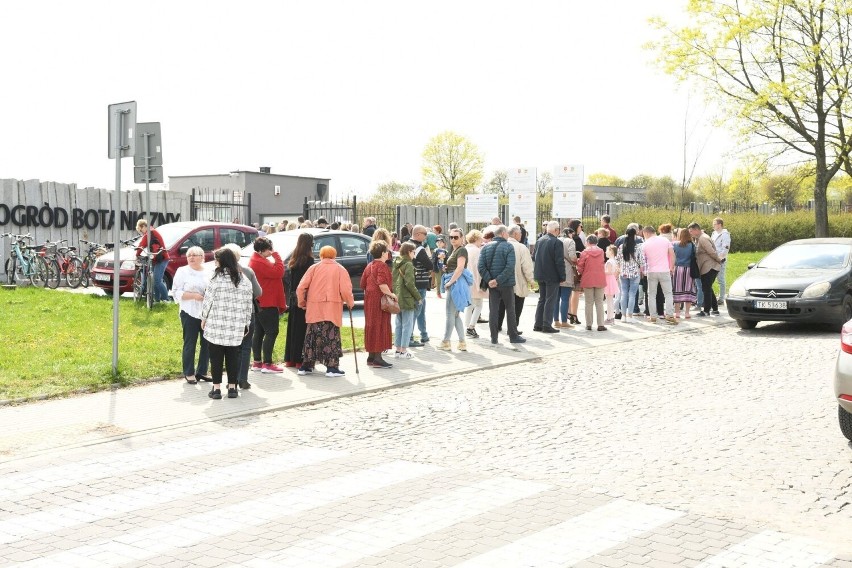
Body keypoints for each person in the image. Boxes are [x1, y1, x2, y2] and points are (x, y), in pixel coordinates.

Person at [201, 247, 254, 399]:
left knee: (216, 357)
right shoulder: (244, 280)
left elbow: (207, 301)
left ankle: (216, 389)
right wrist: (246, 323)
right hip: (236, 325)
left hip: (216, 324)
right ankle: (232, 388)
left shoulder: (216, 278)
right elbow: (247, 305)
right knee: (233, 357)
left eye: (216, 260)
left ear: (221, 261)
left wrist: (203, 318)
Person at [295, 245, 355, 377]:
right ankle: (332, 368)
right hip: (331, 309)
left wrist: (302, 303)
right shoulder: (340, 269)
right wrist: (350, 303)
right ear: (334, 256)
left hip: (314, 308)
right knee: (330, 337)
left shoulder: (314, 268)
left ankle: (305, 366)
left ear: (321, 256)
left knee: (312, 336)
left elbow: (300, 288)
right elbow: (345, 290)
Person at [221, 243, 261, 390]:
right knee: (245, 347)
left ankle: (231, 380)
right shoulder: (247, 271)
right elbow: (258, 292)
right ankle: (242, 378)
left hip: (228, 315)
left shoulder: (219, 273)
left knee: (231, 347)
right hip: (247, 313)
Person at [479, 225, 525, 345]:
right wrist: (498, 280)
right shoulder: (508, 246)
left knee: (493, 310)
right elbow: (510, 267)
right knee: (510, 309)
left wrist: (490, 280)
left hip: (492, 284)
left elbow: (481, 266)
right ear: (504, 233)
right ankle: (513, 336)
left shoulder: (485, 247)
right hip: (506, 283)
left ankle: (494, 337)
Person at [171, 246, 211, 384]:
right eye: (189, 256)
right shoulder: (182, 271)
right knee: (190, 342)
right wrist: (193, 296)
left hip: (206, 313)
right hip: (189, 311)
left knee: (207, 343)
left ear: (202, 257)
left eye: (195, 255)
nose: (191, 258)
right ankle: (189, 372)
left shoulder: (208, 271)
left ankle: (202, 371)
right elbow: (175, 291)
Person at [248, 237, 286, 374]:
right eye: (269, 249)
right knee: (271, 331)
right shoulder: (259, 262)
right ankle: (267, 363)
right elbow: (279, 272)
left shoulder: (257, 260)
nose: (271, 251)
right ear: (262, 250)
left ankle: (257, 362)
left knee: (259, 332)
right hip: (267, 302)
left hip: (260, 302)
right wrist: (277, 256)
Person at [360, 241, 395, 368]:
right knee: (380, 325)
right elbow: (382, 284)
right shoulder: (382, 266)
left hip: (369, 300)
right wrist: (392, 295)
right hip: (379, 300)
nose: (388, 253)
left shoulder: (369, 265)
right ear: (383, 253)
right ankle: (378, 358)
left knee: (371, 325)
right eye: (387, 251)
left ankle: (371, 356)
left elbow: (362, 284)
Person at [283, 233, 314, 368]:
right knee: (302, 330)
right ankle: (299, 359)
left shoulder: (294, 259)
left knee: (292, 328)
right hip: (304, 297)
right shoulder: (308, 261)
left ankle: (290, 358)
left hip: (293, 297)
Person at [438, 228, 471, 352]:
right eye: (451, 237)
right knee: (455, 315)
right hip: (456, 282)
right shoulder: (455, 249)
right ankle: (462, 342)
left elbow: (460, 268)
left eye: (456, 237)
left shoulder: (461, 250)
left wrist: (450, 282)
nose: (453, 239)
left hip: (456, 283)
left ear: (462, 238)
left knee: (450, 314)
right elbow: (456, 267)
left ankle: (446, 342)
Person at [499, 224, 535, 333]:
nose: (521, 235)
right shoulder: (521, 247)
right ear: (515, 234)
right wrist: (531, 280)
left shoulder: (501, 245)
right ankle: (513, 329)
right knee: (516, 306)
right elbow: (527, 266)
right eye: (520, 233)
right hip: (517, 282)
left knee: (501, 304)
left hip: (501, 282)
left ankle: (497, 325)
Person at [533, 220, 565, 334]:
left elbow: (534, 257)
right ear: (556, 230)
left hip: (540, 273)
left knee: (542, 299)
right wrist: (562, 276)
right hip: (552, 275)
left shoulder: (539, 240)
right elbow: (559, 261)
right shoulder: (557, 242)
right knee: (550, 300)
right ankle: (546, 324)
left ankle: (538, 324)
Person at [641, 225, 678, 325]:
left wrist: (644, 271)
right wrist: (672, 267)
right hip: (664, 270)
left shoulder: (645, 244)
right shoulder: (665, 241)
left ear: (647, 233)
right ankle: (670, 314)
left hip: (651, 271)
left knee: (651, 294)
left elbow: (643, 260)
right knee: (668, 293)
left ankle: (653, 316)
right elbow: (672, 254)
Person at [392, 242, 421, 359]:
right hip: (407, 298)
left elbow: (393, 280)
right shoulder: (408, 264)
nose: (415, 254)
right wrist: (418, 297)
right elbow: (409, 283)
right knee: (407, 325)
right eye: (414, 252)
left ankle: (398, 350)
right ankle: (404, 350)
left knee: (398, 325)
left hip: (397, 297)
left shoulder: (396, 262)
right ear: (409, 252)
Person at [689, 222, 722, 317]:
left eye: (691, 231)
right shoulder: (700, 238)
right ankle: (715, 309)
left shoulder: (703, 238)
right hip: (707, 267)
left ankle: (706, 310)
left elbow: (711, 252)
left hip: (709, 267)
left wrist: (718, 260)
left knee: (706, 289)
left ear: (696, 230)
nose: (690, 233)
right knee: (708, 288)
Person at [409, 225, 434, 345]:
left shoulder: (407, 244)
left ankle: (424, 334)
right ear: (418, 234)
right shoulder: (419, 249)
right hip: (420, 283)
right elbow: (430, 265)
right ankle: (409, 337)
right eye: (425, 234)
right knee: (416, 311)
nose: (426, 237)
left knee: (420, 310)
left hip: (413, 282)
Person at [135, 218, 170, 303]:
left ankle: (166, 299)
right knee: (154, 280)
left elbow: (141, 245)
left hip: (162, 258)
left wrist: (137, 255)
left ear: (143, 226)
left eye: (140, 230)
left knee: (157, 280)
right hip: (157, 258)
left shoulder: (149, 233)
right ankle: (157, 300)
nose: (141, 232)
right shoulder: (152, 231)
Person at [577, 234, 608, 331]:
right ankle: (601, 324)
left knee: (588, 302)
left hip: (588, 278)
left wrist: (583, 272)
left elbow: (580, 266)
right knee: (599, 302)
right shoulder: (601, 251)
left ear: (588, 242)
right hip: (600, 278)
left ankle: (589, 324)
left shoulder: (584, 252)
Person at [617, 227, 645, 323]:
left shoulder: (621, 247)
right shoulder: (637, 247)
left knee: (624, 293)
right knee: (632, 294)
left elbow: (618, 260)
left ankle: (623, 316)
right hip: (634, 273)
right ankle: (630, 315)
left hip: (623, 273)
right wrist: (643, 271)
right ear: (635, 235)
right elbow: (642, 261)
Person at [464, 230, 486, 338]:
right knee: (478, 305)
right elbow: (478, 269)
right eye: (480, 239)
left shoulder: (465, 249)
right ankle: (471, 327)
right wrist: (479, 285)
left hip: (465, 282)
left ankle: (466, 327)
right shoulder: (477, 251)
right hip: (474, 281)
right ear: (477, 239)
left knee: (469, 305)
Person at [554, 228, 577, 329]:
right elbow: (572, 256)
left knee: (556, 298)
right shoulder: (570, 241)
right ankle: (564, 321)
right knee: (565, 298)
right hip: (567, 271)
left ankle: (556, 321)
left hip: (555, 271)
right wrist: (576, 260)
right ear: (569, 233)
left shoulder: (555, 240)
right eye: (572, 234)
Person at [672, 227, 697, 319]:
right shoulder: (692, 245)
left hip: (677, 269)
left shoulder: (674, 244)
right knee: (688, 290)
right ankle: (687, 313)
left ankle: (677, 312)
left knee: (677, 289)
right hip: (689, 269)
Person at [567, 219, 586, 325]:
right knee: (575, 292)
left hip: (567, 268)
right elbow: (582, 253)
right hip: (575, 268)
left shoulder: (567, 238)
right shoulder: (576, 239)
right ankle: (573, 314)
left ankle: (569, 313)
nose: (581, 228)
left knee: (568, 293)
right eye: (580, 226)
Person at [711, 217, 731, 304]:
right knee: (711, 279)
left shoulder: (725, 234)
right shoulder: (714, 233)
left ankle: (721, 298)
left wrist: (720, 258)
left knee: (720, 279)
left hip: (720, 260)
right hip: (712, 259)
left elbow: (725, 248)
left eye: (715, 224)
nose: (713, 226)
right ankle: (712, 297)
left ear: (719, 225)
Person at [604, 245, 620, 325]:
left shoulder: (610, 261)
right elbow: (616, 271)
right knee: (610, 300)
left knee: (609, 301)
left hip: (609, 280)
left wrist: (600, 271)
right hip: (612, 280)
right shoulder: (614, 261)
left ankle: (609, 318)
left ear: (611, 251)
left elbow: (609, 272)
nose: (605, 252)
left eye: (607, 250)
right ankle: (610, 317)